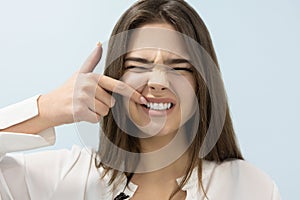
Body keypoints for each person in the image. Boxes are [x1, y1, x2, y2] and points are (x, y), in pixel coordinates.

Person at [0, 0, 281, 199]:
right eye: (138, 64)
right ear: (115, 77)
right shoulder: (69, 177)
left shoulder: (250, 187)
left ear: (201, 83)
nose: (158, 82)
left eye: (179, 66)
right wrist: (46, 109)